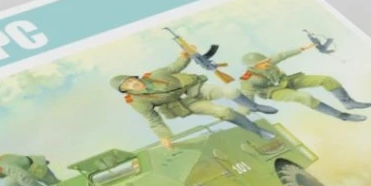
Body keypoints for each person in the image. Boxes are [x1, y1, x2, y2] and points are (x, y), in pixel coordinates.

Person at [111, 50, 275, 148]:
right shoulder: (137, 101)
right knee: (224, 111)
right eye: (127, 85)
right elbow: (153, 118)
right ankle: (258, 131)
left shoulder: (155, 75)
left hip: (194, 88)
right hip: (184, 104)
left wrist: (185, 55)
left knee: (231, 91)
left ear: (135, 78)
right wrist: (164, 136)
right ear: (125, 90)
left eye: (131, 80)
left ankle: (254, 106)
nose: (132, 84)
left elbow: (174, 67)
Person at [237, 43, 371, 122]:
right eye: (262, 63)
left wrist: (303, 48)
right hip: (274, 92)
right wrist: (244, 113)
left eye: (266, 61)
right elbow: (247, 97)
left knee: (326, 79)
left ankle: (348, 102)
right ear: (253, 66)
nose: (267, 63)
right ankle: (342, 116)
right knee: (305, 97)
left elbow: (281, 55)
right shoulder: (248, 79)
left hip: (287, 81)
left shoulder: (269, 62)